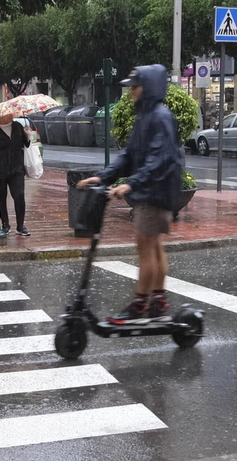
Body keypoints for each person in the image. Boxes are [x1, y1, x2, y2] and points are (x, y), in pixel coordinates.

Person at [76, 64, 185, 324]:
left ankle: (140, 304)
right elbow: (129, 155)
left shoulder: (160, 116)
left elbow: (159, 158)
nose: (130, 92)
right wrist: (103, 177)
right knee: (153, 246)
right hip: (153, 189)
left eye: (134, 87)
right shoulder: (146, 115)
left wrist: (131, 183)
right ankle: (157, 299)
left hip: (155, 191)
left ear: (147, 88)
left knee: (146, 247)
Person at [0, 111, 32, 236]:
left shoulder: (17, 126)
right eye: (8, 114)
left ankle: (21, 225)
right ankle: (5, 224)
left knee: (19, 195)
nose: (11, 115)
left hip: (16, 169)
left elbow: (26, 144)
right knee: (1, 197)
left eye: (12, 113)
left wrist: (28, 135)